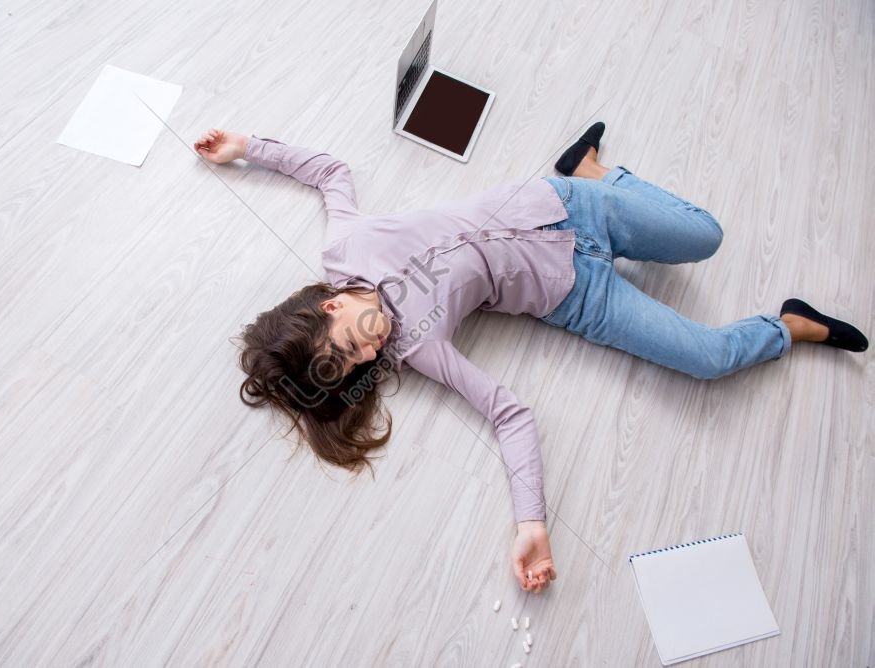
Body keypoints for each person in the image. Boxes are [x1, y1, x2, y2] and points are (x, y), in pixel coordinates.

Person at [195, 123, 868, 594]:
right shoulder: (414, 347)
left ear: (331, 305)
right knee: (709, 358)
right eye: (356, 366)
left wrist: (246, 147)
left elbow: (331, 172)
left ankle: (598, 170)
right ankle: (787, 327)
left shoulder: (345, 247)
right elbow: (509, 415)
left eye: (350, 343)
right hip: (577, 295)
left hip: (565, 205)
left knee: (708, 236)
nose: (371, 350)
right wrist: (532, 525)